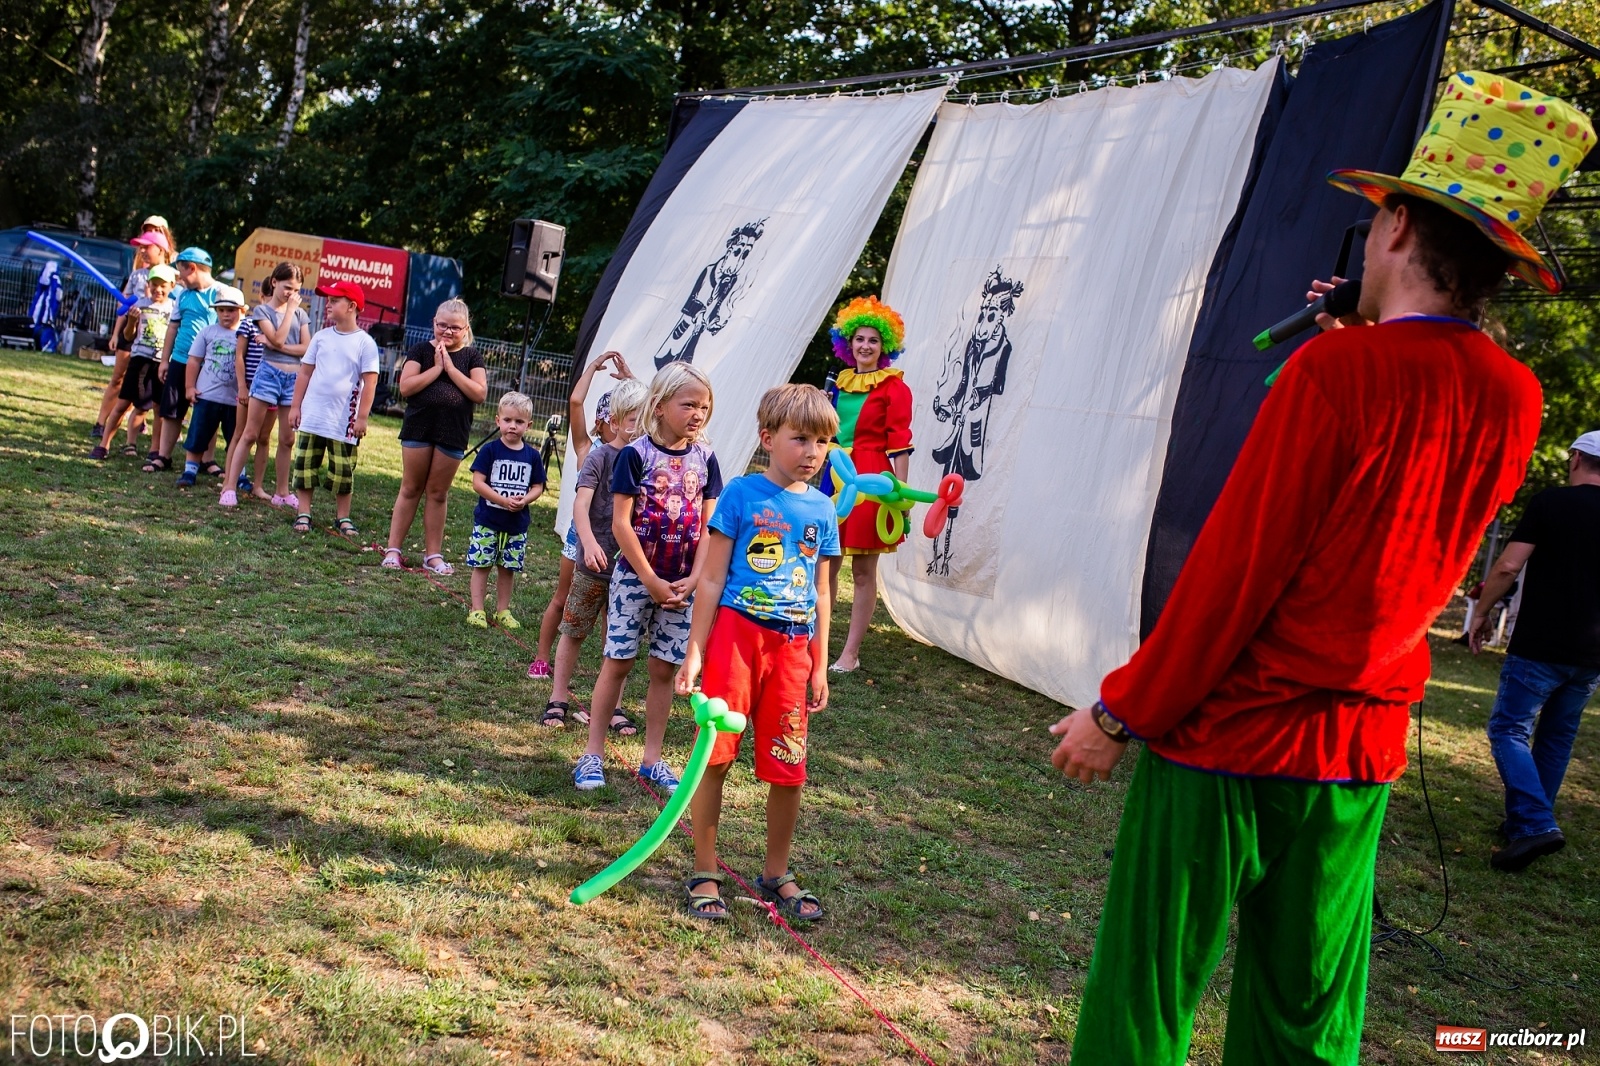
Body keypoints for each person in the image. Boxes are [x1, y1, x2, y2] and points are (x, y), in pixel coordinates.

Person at [1051, 71, 1587, 1066]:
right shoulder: (1515, 395)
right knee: (1305, 1011)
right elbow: (1396, 514)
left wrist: (1122, 711)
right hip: (1358, 744)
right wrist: (1363, 348)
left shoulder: (1334, 368)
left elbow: (1238, 570)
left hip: (1232, 733)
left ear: (1395, 226)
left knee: (1146, 994)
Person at [674, 384, 839, 922]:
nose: (812, 452)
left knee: (789, 764)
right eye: (801, 439)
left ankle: (777, 871)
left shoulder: (823, 508)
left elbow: (822, 591)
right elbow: (712, 579)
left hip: (793, 648)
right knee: (715, 755)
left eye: (822, 442)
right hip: (736, 640)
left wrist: (820, 662)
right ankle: (704, 870)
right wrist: (695, 652)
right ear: (768, 438)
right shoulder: (741, 495)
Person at [572, 363, 720, 794]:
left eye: (704, 406)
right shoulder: (635, 455)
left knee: (663, 669)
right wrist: (650, 579)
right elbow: (621, 524)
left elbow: (708, 526)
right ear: (658, 406)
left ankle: (652, 760)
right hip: (635, 581)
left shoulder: (707, 458)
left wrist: (695, 578)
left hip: (682, 586)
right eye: (688, 405)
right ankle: (593, 754)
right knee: (617, 662)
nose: (697, 414)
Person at [1470, 430, 1600, 872]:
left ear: (1576, 458)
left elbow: (1508, 566)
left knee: (1508, 729)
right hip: (1591, 654)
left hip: (1541, 644)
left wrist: (1481, 613)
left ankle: (1533, 823)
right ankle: (1525, 823)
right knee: (1557, 737)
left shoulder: (1551, 502)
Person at [541, 378, 649, 730]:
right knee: (574, 629)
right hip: (593, 565)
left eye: (645, 420)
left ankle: (613, 707)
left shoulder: (648, 458)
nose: (641, 427)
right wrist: (587, 543)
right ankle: (558, 698)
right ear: (614, 422)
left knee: (617, 640)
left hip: (628, 568)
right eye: (633, 420)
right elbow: (581, 504)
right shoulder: (599, 457)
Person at [529, 349, 635, 679]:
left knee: (610, 611)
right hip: (582, 535)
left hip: (615, 538)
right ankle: (542, 656)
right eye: (615, 418)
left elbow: (646, 409)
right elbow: (575, 402)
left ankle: (608, 672)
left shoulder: (636, 451)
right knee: (563, 598)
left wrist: (630, 379)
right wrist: (592, 367)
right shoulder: (587, 448)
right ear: (604, 421)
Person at [820, 296, 912, 673]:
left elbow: (901, 443)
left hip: (871, 478)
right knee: (825, 564)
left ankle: (850, 653)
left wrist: (900, 494)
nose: (865, 346)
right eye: (859, 339)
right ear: (848, 343)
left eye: (873, 340)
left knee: (862, 572)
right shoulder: (837, 384)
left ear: (885, 346)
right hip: (833, 475)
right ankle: (816, 643)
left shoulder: (893, 387)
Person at [383, 299, 488, 574]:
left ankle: (433, 556)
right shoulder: (420, 350)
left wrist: (451, 368)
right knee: (410, 488)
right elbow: (406, 387)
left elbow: (479, 393)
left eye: (455, 327)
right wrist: (437, 368)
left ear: (465, 329)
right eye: (442, 325)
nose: (448, 331)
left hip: (453, 431)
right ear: (434, 323)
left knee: (438, 493)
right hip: (419, 428)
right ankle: (393, 550)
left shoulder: (472, 357)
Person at [286, 281, 380, 536]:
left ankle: (343, 517)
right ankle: (303, 512)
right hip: (312, 417)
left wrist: (362, 417)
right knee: (305, 466)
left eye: (334, 300)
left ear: (351, 306)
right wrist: (295, 406)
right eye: (328, 299)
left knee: (342, 470)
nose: (328, 304)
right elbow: (305, 373)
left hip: (343, 422)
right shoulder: (321, 337)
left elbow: (370, 383)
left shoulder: (365, 343)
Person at [226, 262, 313, 508]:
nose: (291, 294)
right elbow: (278, 337)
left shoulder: (301, 315)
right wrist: (285, 321)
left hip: (292, 379)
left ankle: (282, 492)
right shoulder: (262, 311)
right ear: (274, 282)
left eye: (296, 290)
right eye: (287, 288)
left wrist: (276, 344)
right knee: (250, 433)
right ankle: (229, 487)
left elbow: (305, 348)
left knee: (287, 439)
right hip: (268, 375)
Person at [465, 392, 546, 628]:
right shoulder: (490, 450)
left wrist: (525, 500)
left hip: (516, 526)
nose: (513, 426)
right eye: (508, 420)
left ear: (529, 425)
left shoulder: (532, 456)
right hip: (488, 521)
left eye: (519, 421)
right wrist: (501, 501)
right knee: (482, 565)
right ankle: (477, 609)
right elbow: (478, 483)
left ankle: (503, 610)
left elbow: (538, 486)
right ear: (497, 420)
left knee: (507, 568)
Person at [93, 226, 172, 444]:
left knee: (151, 395)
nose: (142, 251)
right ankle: (101, 424)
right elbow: (124, 305)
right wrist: (116, 333)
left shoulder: (171, 278)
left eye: (147, 247)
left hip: (158, 343)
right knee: (120, 380)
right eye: (141, 248)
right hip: (134, 330)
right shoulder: (137, 275)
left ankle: (139, 431)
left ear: (160, 249)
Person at [149, 247, 223, 474]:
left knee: (208, 411)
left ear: (192, 268)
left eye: (181, 272)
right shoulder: (183, 295)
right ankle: (163, 456)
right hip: (180, 360)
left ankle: (207, 460)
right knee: (171, 409)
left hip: (209, 363)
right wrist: (165, 360)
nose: (179, 278)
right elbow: (173, 328)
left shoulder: (220, 293)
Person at [178, 286, 248, 487]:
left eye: (231, 310)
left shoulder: (246, 335)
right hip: (207, 395)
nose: (225, 314)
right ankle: (190, 471)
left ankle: (239, 474)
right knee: (198, 435)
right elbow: (194, 360)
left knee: (236, 438)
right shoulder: (207, 332)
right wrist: (189, 387)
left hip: (236, 399)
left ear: (242, 310)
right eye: (221, 310)